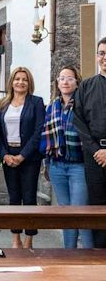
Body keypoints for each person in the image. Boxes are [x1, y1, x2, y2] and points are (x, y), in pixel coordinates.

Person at [40, 66, 93, 249]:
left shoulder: (83, 104)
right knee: (65, 213)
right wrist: (46, 164)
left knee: (81, 212)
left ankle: (89, 257)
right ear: (57, 82)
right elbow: (46, 137)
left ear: (77, 82)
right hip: (57, 165)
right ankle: (68, 254)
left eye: (69, 78)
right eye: (62, 78)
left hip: (79, 165)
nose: (65, 82)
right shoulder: (52, 106)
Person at [0, 67, 45, 249]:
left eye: (24, 79)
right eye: (17, 79)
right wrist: (4, 154)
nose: (20, 82)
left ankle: (29, 239)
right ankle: (15, 238)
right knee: (14, 198)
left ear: (29, 82)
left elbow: (38, 131)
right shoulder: (2, 104)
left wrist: (23, 155)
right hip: (9, 155)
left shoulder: (36, 102)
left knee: (29, 197)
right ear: (12, 82)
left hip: (29, 157)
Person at [74, 37, 106, 248]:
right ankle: (100, 256)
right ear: (96, 56)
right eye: (101, 53)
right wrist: (97, 150)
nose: (105, 58)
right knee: (97, 205)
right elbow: (79, 120)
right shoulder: (86, 86)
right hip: (94, 157)